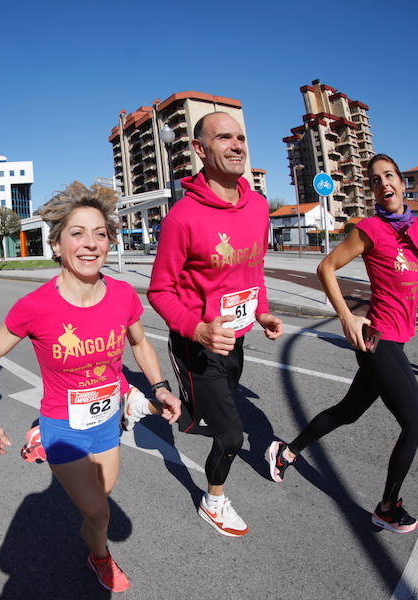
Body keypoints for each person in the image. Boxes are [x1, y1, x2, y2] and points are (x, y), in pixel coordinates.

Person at [0, 186, 181, 593]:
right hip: (64, 425)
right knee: (100, 513)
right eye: (78, 233)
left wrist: (158, 387)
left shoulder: (122, 295)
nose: (91, 243)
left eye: (100, 233)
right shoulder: (35, 306)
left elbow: (139, 342)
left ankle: (94, 541)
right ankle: (100, 557)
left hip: (108, 420)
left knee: (100, 500)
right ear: (56, 245)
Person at [266, 153, 418, 534]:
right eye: (376, 180)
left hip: (398, 338)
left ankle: (286, 451)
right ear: (373, 191)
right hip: (379, 339)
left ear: (401, 182)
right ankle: (387, 506)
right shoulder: (370, 229)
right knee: (415, 425)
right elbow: (325, 267)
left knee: (348, 410)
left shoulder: (417, 228)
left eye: (389, 177)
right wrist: (347, 317)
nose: (384, 184)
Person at [148, 112, 284, 537]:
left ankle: (157, 404)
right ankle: (214, 500)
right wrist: (197, 329)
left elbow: (253, 270)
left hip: (236, 339)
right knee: (230, 434)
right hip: (196, 343)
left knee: (199, 415)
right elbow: (159, 291)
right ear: (200, 149)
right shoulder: (182, 218)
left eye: (241, 136)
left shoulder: (259, 206)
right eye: (224, 137)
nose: (237, 144)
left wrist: (261, 311)